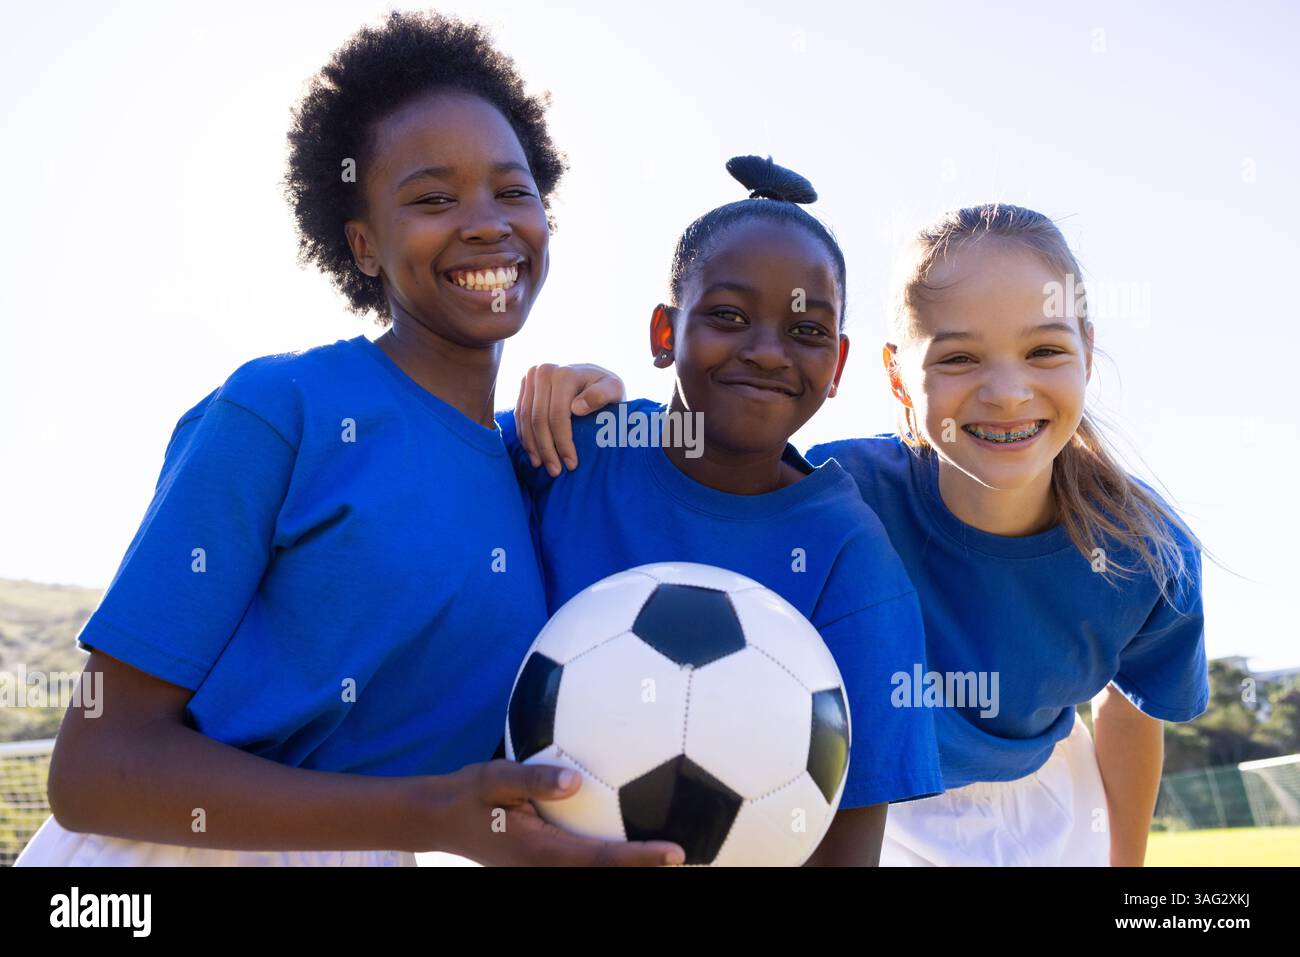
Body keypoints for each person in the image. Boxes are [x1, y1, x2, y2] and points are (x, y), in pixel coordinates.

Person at [17, 10, 683, 868]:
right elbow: (94, 769)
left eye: (513, 191)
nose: (486, 223)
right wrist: (432, 815)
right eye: (433, 198)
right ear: (364, 245)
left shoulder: (535, 464)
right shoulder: (279, 408)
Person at [503, 156, 943, 866]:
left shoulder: (851, 556)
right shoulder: (572, 448)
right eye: (729, 316)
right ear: (663, 334)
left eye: (807, 331)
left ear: (837, 365)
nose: (767, 352)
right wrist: (539, 395)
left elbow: (850, 841)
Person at [805, 205, 1207, 866]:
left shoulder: (1147, 551)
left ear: (1086, 350)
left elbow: (1133, 709)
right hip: (869, 797)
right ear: (898, 375)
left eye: (1043, 350)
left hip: (1049, 799)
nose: (1008, 393)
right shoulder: (834, 495)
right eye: (959, 357)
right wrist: (607, 406)